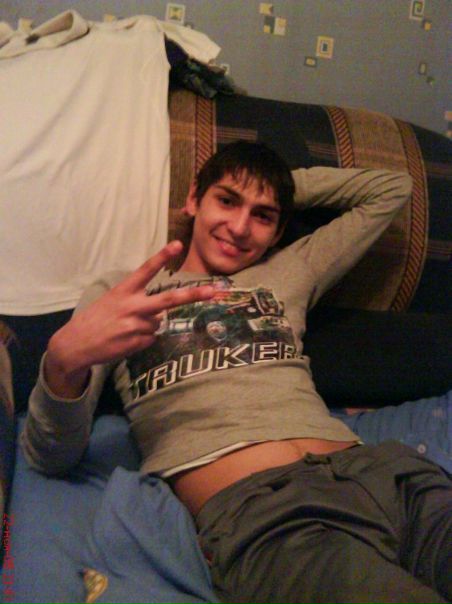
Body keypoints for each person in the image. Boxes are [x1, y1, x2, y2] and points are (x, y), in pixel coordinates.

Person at [22, 142, 451, 603]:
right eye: (226, 200)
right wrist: (62, 364)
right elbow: (51, 456)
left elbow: (391, 188)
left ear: (278, 229)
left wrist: (277, 187)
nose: (240, 227)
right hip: (268, 513)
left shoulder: (290, 270)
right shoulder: (125, 293)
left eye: (263, 216)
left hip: (386, 475)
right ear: (194, 199)